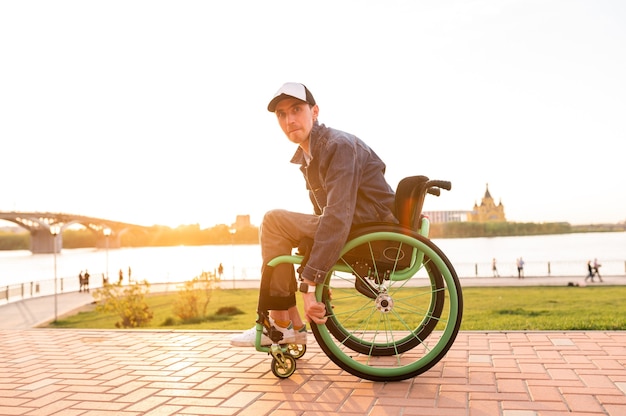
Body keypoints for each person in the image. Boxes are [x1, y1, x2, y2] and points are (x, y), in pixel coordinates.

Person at [231, 82, 397, 347]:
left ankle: (282, 324)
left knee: (274, 221)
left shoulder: (338, 146)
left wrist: (310, 283)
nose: (289, 119)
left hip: (367, 227)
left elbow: (337, 216)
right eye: (282, 115)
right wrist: (316, 268)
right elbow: (325, 216)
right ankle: (288, 323)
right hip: (357, 222)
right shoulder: (311, 155)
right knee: (277, 228)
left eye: (296, 109)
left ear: (315, 111)